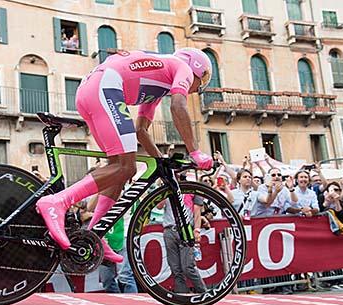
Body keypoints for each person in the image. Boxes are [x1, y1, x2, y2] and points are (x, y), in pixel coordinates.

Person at [36, 48, 214, 263]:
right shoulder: (182, 68)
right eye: (202, 80)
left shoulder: (159, 83)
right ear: (197, 69)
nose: (198, 89)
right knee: (126, 167)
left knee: (118, 171)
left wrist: (161, 162)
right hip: (106, 88)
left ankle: (94, 234)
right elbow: (178, 105)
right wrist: (194, 151)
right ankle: (58, 201)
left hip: (93, 89)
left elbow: (141, 130)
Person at [158, 192, 206, 293]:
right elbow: (159, 206)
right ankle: (182, 295)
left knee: (188, 267)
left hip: (186, 230)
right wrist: (163, 192)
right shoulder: (166, 188)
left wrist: (197, 229)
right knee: (175, 269)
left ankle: (204, 293)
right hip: (169, 229)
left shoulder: (190, 189)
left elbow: (197, 212)